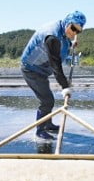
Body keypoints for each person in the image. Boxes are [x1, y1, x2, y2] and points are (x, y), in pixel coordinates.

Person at [20, 10, 86, 140]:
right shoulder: (52, 36)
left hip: (42, 69)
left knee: (48, 100)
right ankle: (40, 130)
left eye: (78, 31)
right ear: (67, 22)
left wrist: (72, 49)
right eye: (73, 28)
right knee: (47, 100)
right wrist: (65, 85)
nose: (74, 33)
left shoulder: (64, 35)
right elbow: (56, 65)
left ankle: (48, 124)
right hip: (31, 69)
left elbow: (63, 56)